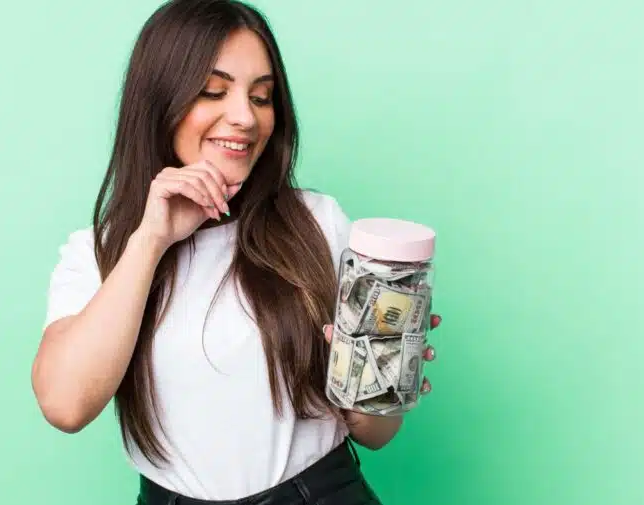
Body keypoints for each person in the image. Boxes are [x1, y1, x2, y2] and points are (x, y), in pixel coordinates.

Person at [31, 1, 442, 503]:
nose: (245, 118)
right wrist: (151, 239)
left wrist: (378, 387)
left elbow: (375, 436)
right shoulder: (100, 251)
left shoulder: (319, 223)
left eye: (263, 96)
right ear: (160, 100)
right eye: (213, 91)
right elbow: (65, 406)